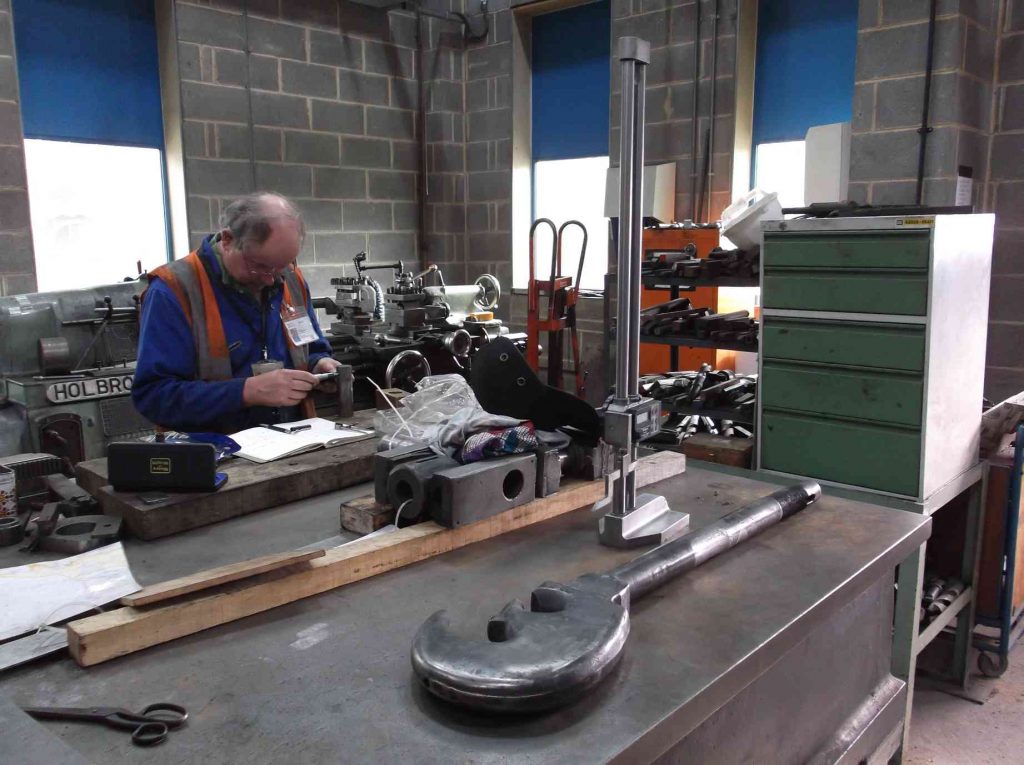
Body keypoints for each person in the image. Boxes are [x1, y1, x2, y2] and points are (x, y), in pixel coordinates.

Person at [133, 193, 342, 433]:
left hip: (292, 444)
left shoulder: (289, 279)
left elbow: (309, 348)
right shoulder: (173, 291)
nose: (271, 279)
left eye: (282, 267)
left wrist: (319, 365)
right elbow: (154, 396)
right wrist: (246, 392)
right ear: (228, 240)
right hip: (214, 456)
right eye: (260, 267)